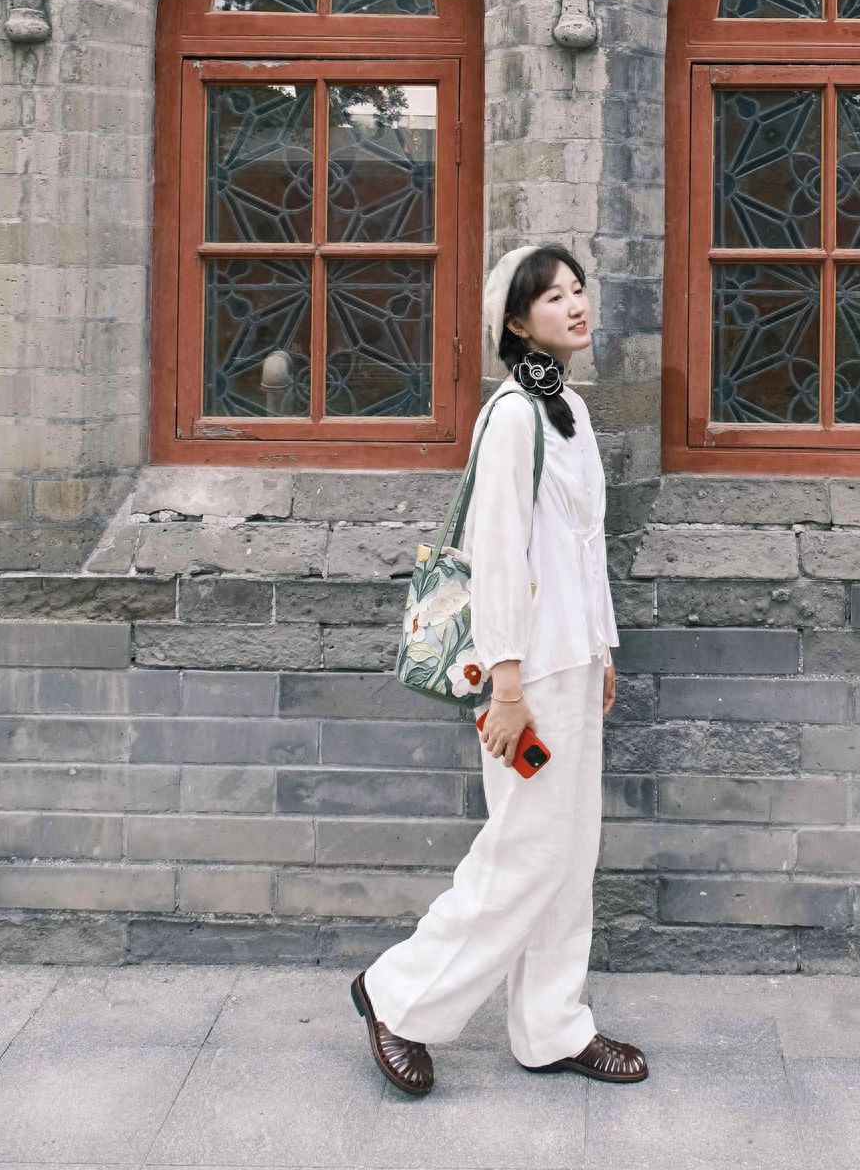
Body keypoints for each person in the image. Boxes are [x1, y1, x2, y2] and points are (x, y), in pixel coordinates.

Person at [350, 243, 648, 1095]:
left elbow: (583, 548)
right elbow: (493, 552)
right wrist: (505, 684)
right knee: (524, 853)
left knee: (568, 853)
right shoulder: (513, 414)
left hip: (572, 660)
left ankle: (552, 1025)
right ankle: (398, 996)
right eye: (553, 297)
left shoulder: (571, 412)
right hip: (525, 671)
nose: (576, 304)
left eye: (578, 290)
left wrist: (604, 647)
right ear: (517, 323)